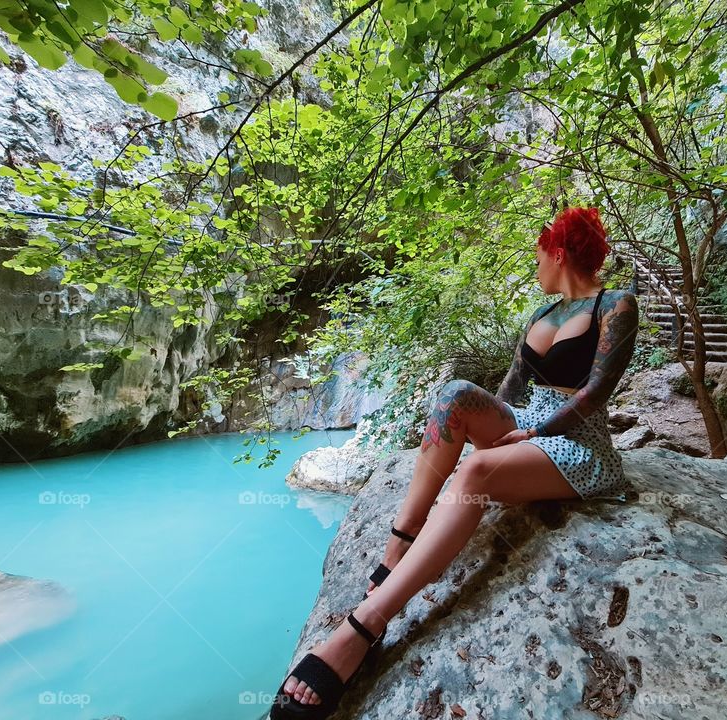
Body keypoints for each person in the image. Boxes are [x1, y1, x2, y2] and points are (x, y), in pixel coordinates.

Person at [269, 206, 639, 718]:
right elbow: (508, 391)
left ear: (557, 253)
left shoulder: (615, 304)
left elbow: (598, 389)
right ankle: (399, 544)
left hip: (576, 441)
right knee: (454, 394)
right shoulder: (542, 316)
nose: (536, 270)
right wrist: (483, 419)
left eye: (538, 258)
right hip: (525, 424)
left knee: (475, 472)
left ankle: (365, 625)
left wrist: (532, 432)